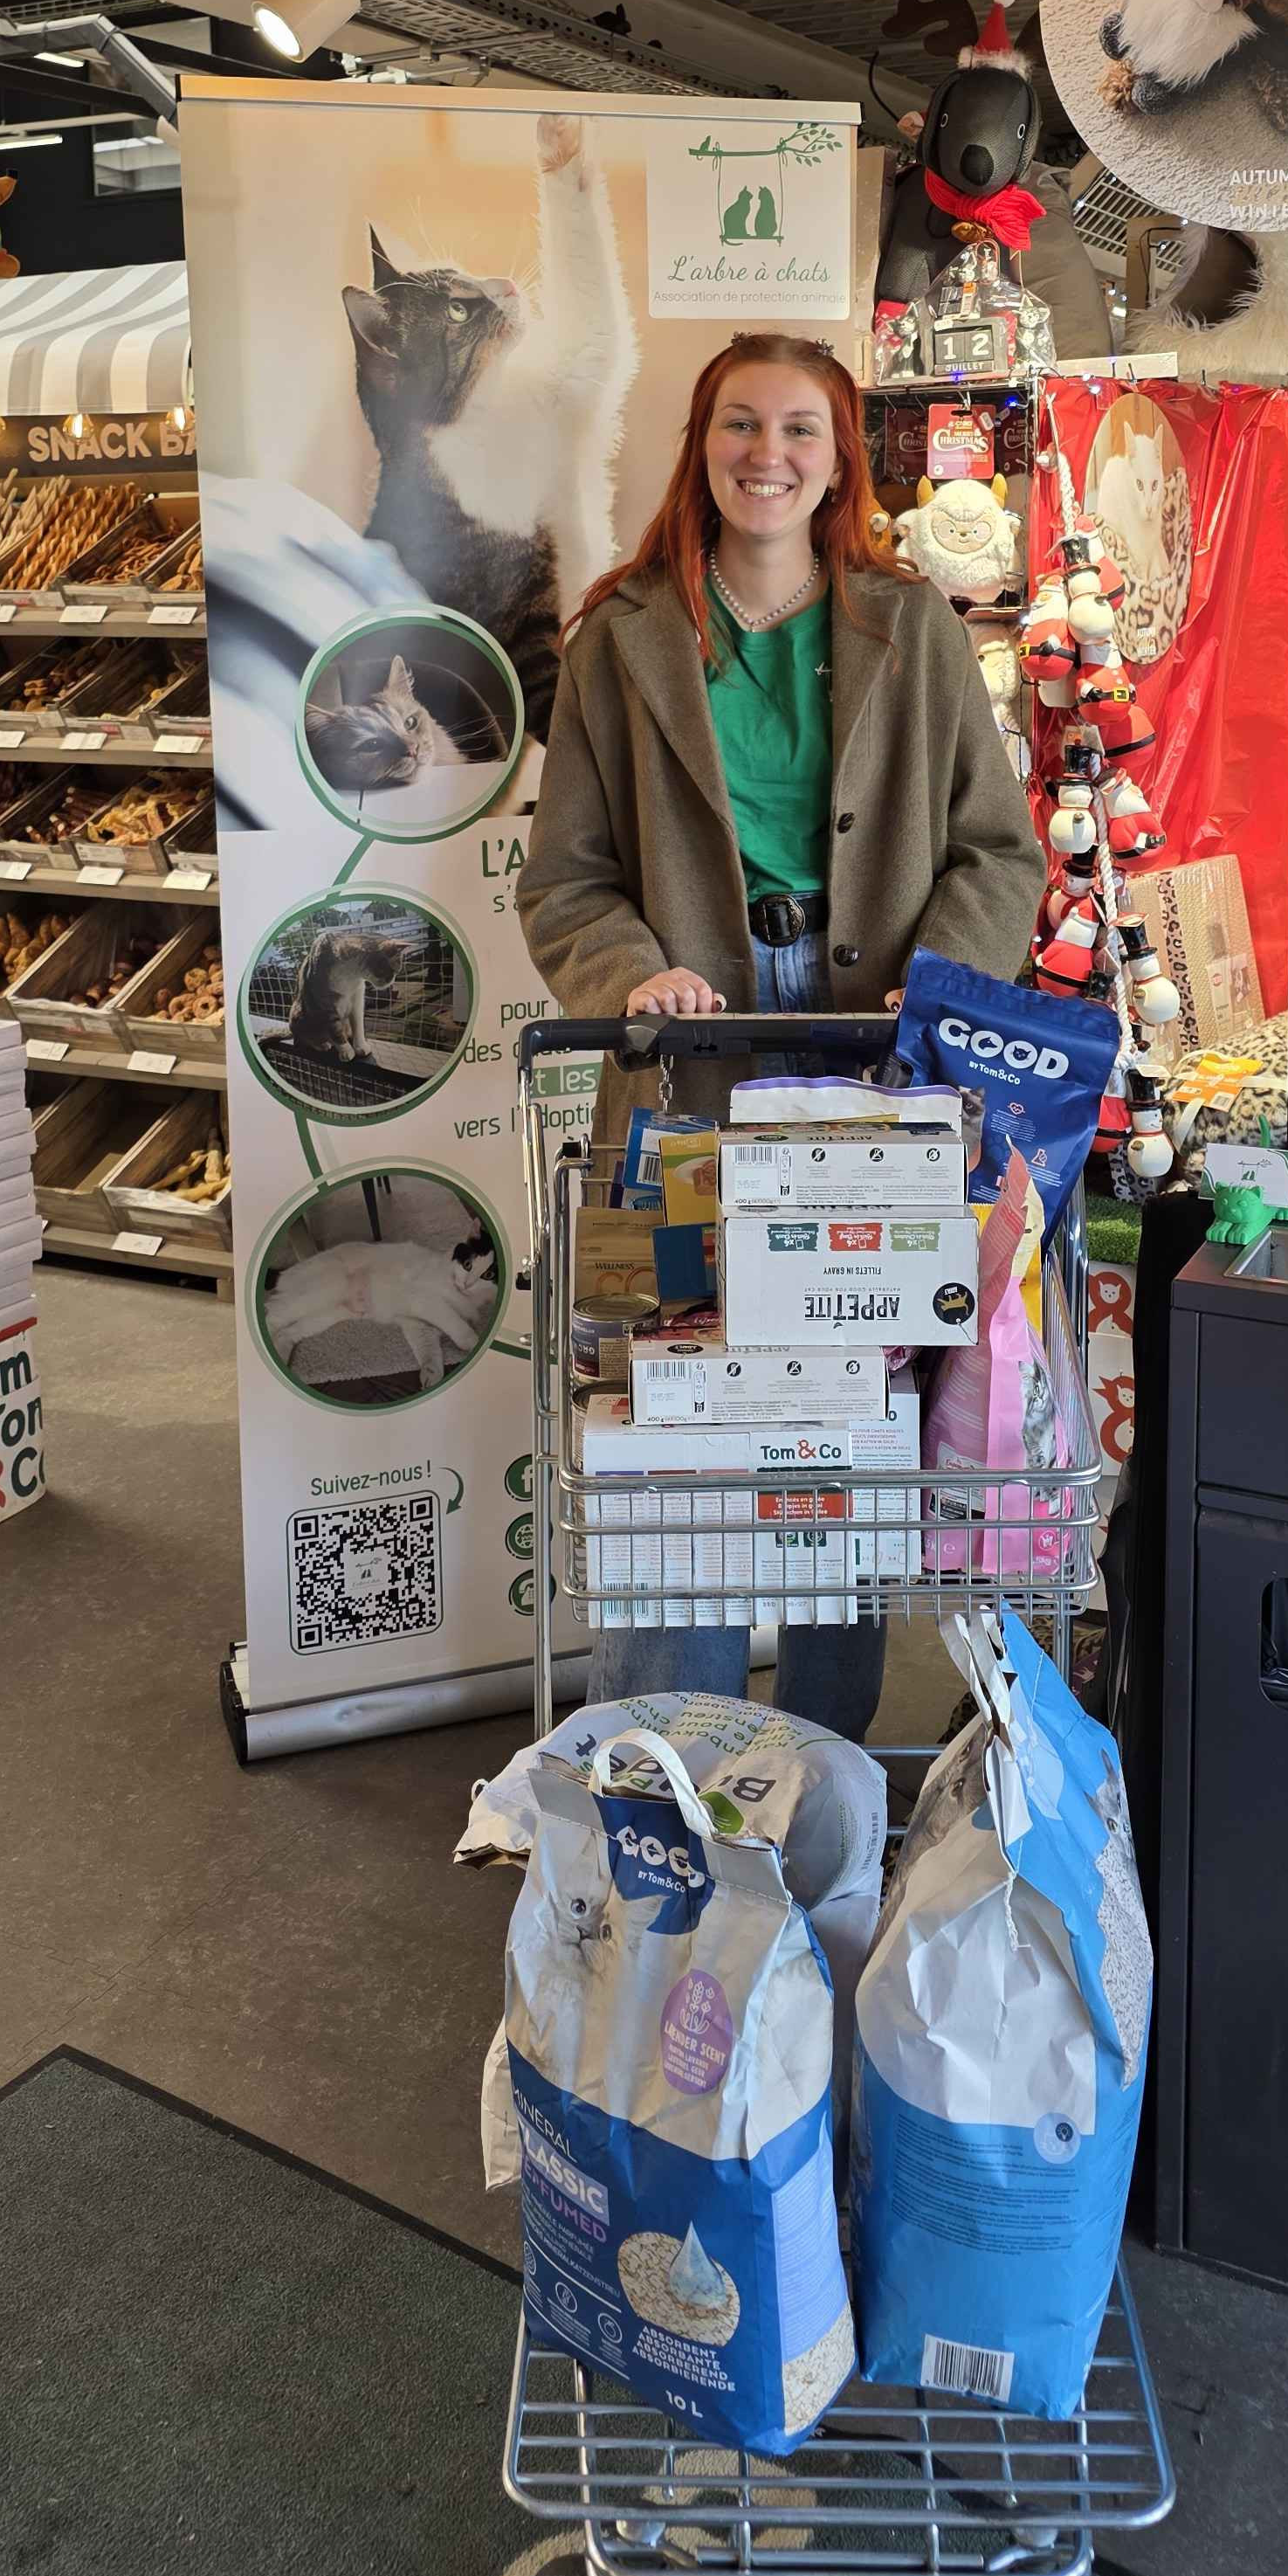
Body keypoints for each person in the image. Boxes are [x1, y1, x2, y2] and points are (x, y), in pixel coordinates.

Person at [519, 331, 1043, 1740]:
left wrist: (934, 983)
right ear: (701, 446)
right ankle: (666, 1765)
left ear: (840, 457)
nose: (768, 454)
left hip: (869, 1047)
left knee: (842, 1406)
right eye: (740, 426)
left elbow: (1000, 853)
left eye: (800, 430)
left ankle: (820, 1761)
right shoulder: (618, 636)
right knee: (672, 1405)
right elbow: (562, 876)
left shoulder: (913, 627)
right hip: (685, 1046)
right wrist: (632, 971)